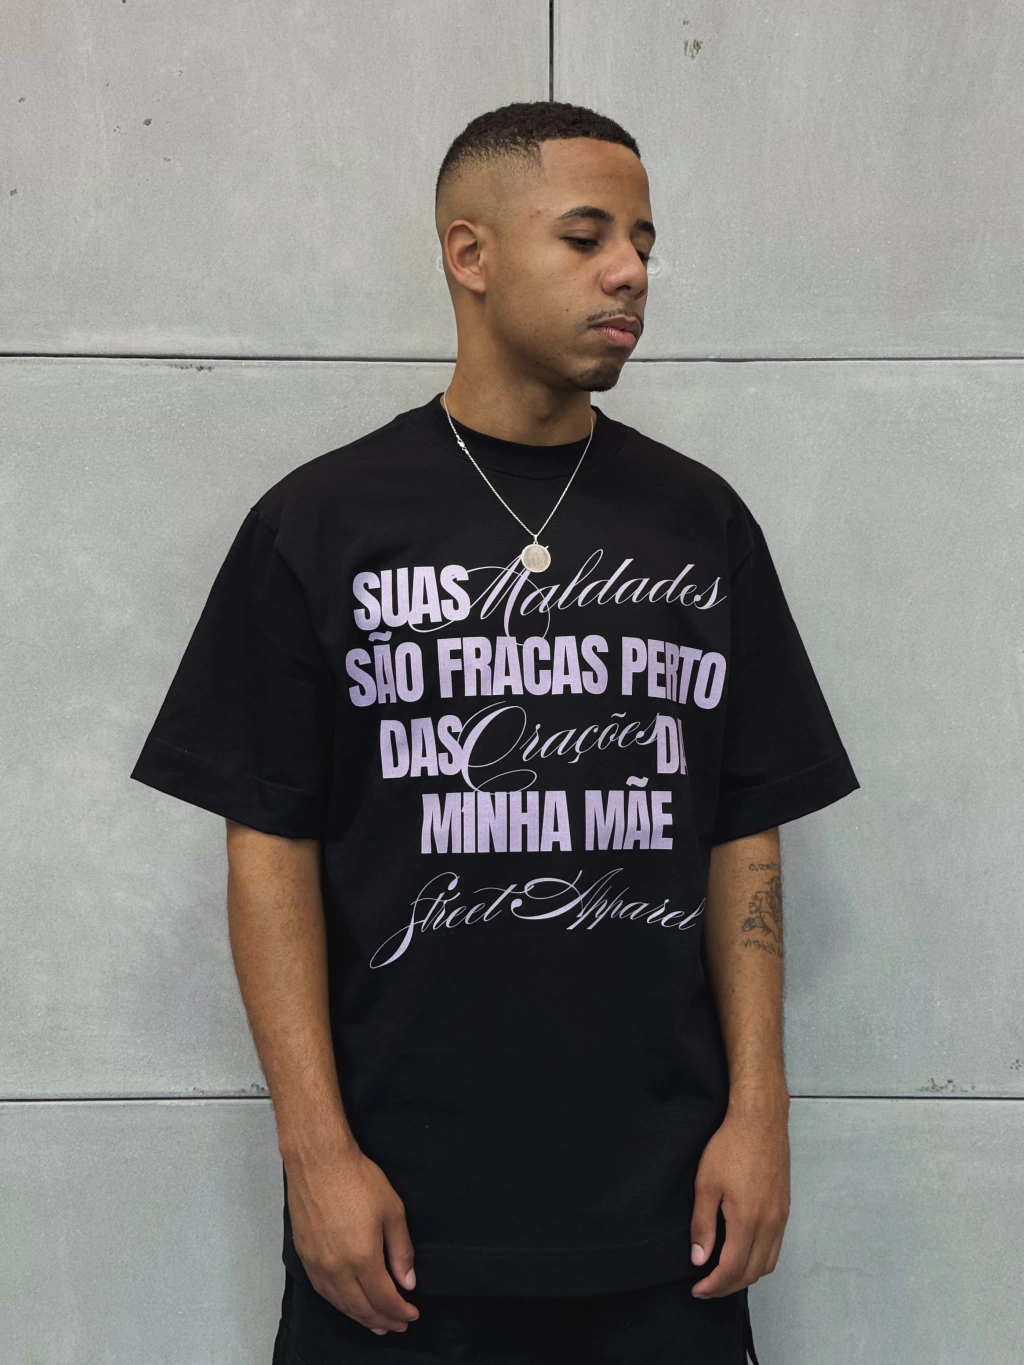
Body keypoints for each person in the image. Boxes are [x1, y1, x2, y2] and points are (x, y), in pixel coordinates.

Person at [130, 101, 859, 1364]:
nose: (629, 271)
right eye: (585, 237)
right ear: (469, 254)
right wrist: (315, 1156)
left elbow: (743, 831)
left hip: (663, 1220)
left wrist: (761, 1115)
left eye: (642, 241)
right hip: (401, 1227)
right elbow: (269, 844)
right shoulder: (322, 523)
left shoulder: (699, 523)